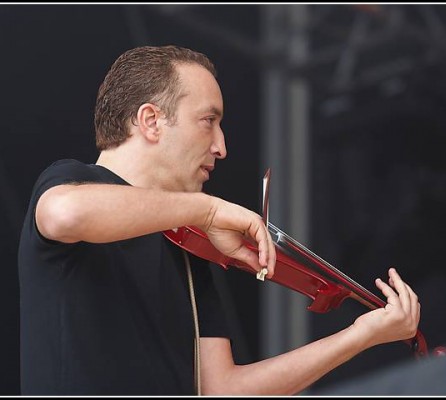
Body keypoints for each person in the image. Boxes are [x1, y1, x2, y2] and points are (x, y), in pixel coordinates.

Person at [18, 45, 421, 396]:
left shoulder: (187, 245)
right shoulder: (72, 180)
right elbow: (65, 214)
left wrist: (360, 336)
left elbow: (222, 390)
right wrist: (208, 210)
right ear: (151, 121)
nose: (222, 146)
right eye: (208, 121)